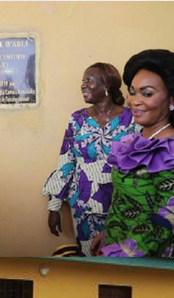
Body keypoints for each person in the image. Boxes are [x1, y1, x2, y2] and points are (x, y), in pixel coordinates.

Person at [94, 50, 174, 257]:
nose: (134, 101)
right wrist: (108, 232)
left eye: (147, 93)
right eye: (132, 92)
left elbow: (167, 226)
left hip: (141, 263)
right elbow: (121, 199)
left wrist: (117, 254)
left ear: (172, 98)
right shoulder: (137, 140)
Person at [42, 62, 137, 256]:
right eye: (82, 80)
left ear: (107, 86)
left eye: (89, 80)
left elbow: (141, 164)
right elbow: (66, 161)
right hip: (83, 207)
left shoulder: (132, 119)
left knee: (120, 261)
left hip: (121, 207)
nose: (83, 85)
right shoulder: (76, 120)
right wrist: (54, 207)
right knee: (90, 259)